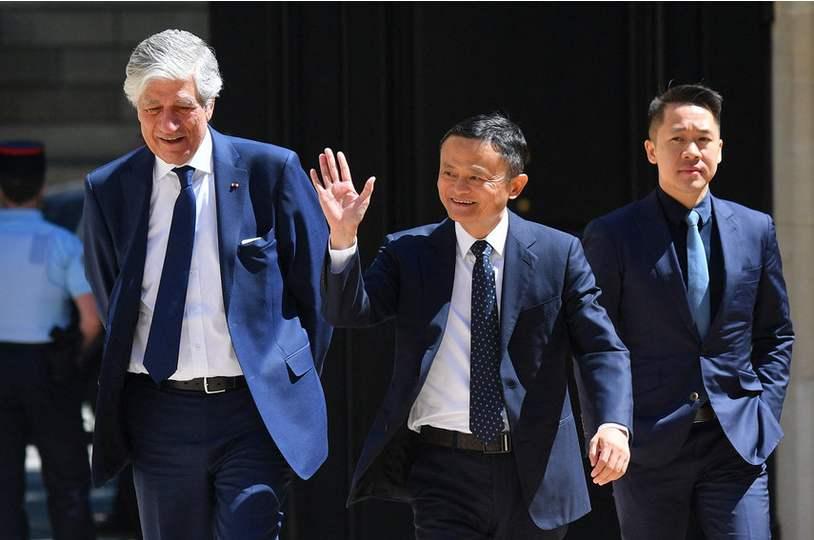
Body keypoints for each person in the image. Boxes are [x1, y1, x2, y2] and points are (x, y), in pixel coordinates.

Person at [310, 113, 633, 539]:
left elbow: (600, 348)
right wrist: (343, 239)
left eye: (476, 177)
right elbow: (350, 313)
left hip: (534, 468)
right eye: (448, 173)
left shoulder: (559, 254)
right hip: (442, 469)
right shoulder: (409, 251)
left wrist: (612, 424)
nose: (458, 188)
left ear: (514, 186)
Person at [82, 29, 332, 539]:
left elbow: (316, 294)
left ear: (210, 105)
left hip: (251, 411)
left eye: (182, 108)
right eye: (152, 109)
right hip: (159, 414)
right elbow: (113, 301)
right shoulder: (110, 188)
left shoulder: (270, 171)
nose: (167, 124)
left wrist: (284, 379)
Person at [582, 84, 794, 540]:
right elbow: (597, 342)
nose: (691, 151)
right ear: (651, 150)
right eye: (677, 139)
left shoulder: (755, 229)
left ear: (720, 149)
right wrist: (610, 423)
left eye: (702, 139)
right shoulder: (613, 235)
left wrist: (764, 413)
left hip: (735, 441)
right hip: (649, 443)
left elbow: (775, 333)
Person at [0, 141, 100, 540]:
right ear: (42, 187)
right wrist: (74, 357)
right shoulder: (62, 243)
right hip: (49, 370)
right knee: (67, 481)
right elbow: (91, 319)